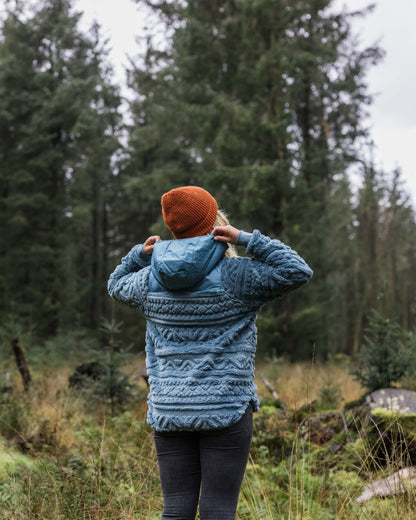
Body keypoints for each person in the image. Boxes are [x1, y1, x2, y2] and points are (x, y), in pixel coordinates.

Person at [107, 186, 313, 520]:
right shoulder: (237, 276)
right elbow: (297, 271)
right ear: (215, 222)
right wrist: (247, 238)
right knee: (218, 508)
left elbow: (116, 283)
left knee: (175, 508)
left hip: (170, 409)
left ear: (173, 227)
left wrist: (140, 255)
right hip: (227, 407)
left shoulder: (149, 280)